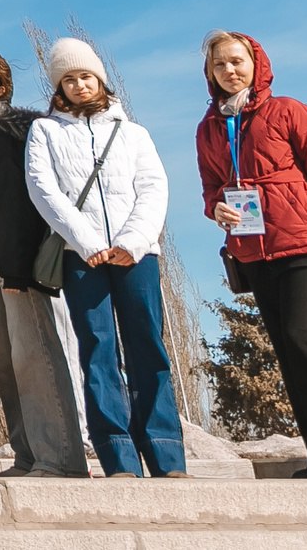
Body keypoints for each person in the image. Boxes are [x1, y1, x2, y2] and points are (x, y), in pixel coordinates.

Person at [196, 30, 307, 479]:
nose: (229, 70)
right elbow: (210, 188)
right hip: (255, 254)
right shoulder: (209, 129)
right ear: (210, 73)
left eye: (237, 61)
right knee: (289, 352)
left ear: (256, 64)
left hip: (306, 244)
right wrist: (216, 207)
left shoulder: (288, 110)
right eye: (220, 64)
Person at [25, 37, 184, 479]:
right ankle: (118, 458)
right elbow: (43, 189)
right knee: (98, 351)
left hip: (137, 255)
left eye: (86, 76)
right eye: (69, 79)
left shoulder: (134, 133)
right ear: (59, 87)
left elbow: (153, 188)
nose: (79, 85)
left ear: (100, 80)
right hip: (82, 257)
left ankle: (167, 456)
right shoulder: (45, 131)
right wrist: (87, 240)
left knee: (147, 346)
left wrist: (134, 241)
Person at [0, 51, 87, 478]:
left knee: (36, 360)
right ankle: (27, 455)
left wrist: (15, 269)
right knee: (6, 366)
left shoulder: (9, 129)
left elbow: (13, 204)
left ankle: (58, 458)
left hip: (15, 266)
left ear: (2, 88)